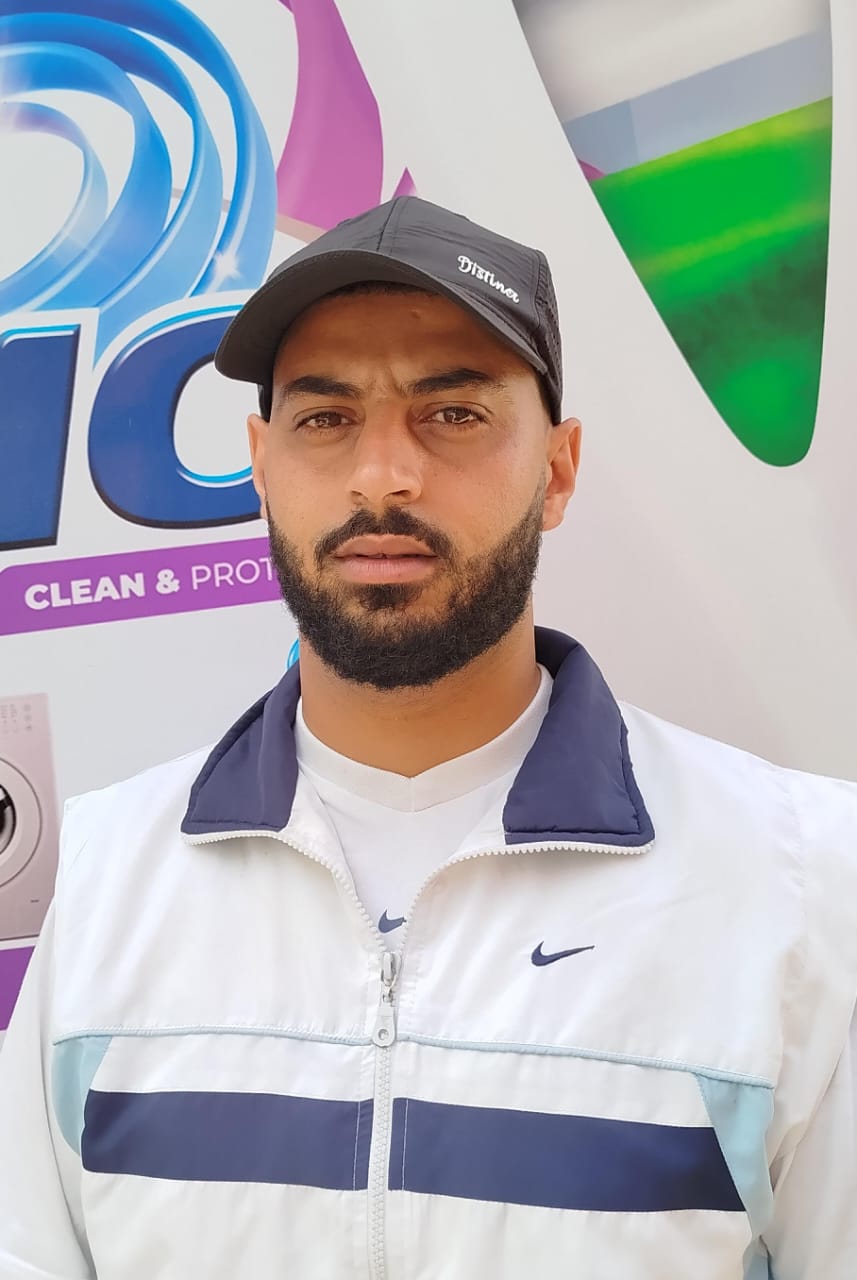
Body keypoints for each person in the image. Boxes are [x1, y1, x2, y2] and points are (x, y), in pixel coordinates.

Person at [0, 196, 855, 1280]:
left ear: (556, 470)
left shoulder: (802, 875)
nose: (381, 475)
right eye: (325, 418)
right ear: (260, 464)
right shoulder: (107, 876)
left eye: (451, 412)